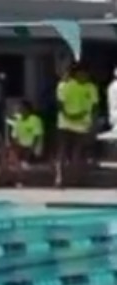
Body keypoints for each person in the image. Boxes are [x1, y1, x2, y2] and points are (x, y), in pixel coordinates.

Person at [55, 60, 98, 189]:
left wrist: (92, 123)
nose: (84, 76)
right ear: (76, 73)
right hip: (65, 123)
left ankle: (75, 178)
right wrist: (70, 116)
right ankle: (59, 178)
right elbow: (60, 104)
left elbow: (94, 107)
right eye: (81, 73)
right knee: (62, 151)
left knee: (77, 151)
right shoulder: (65, 85)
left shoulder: (91, 87)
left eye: (86, 74)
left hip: (82, 125)